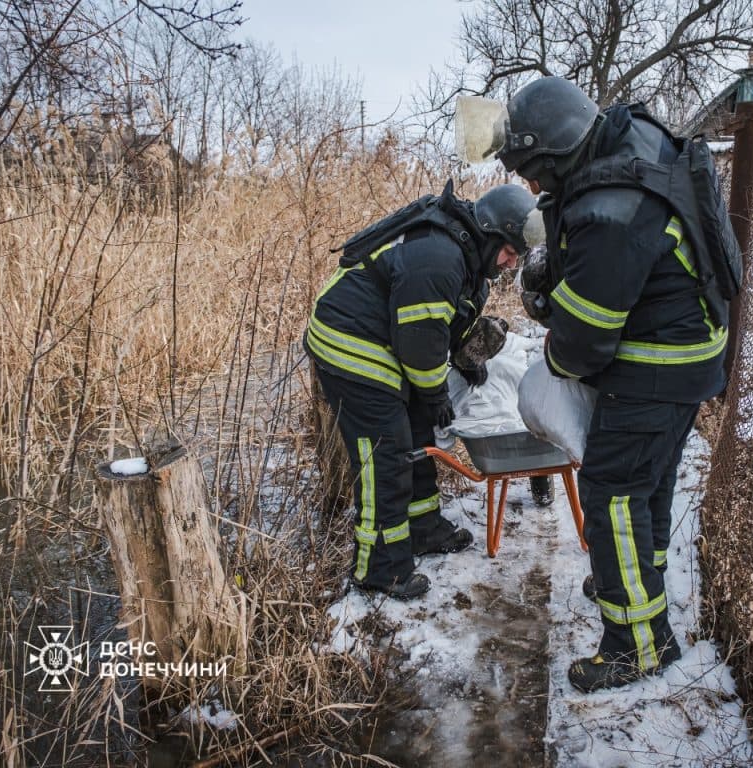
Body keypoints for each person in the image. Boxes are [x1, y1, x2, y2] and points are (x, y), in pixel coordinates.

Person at [494, 77, 728, 692]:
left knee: (611, 493)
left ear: (558, 153)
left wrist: (550, 328)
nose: (536, 189)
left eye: (536, 175)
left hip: (655, 364)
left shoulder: (609, 209)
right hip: (690, 353)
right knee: (643, 484)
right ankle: (632, 579)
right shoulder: (631, 138)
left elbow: (583, 343)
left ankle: (637, 645)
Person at [304, 181, 541, 600]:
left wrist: (468, 360)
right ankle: (379, 569)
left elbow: (445, 323)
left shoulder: (464, 258)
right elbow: (418, 345)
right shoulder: (440, 258)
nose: (509, 263)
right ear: (490, 233)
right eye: (508, 251)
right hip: (351, 343)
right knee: (386, 452)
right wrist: (435, 395)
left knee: (416, 429)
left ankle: (421, 528)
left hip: (383, 339)